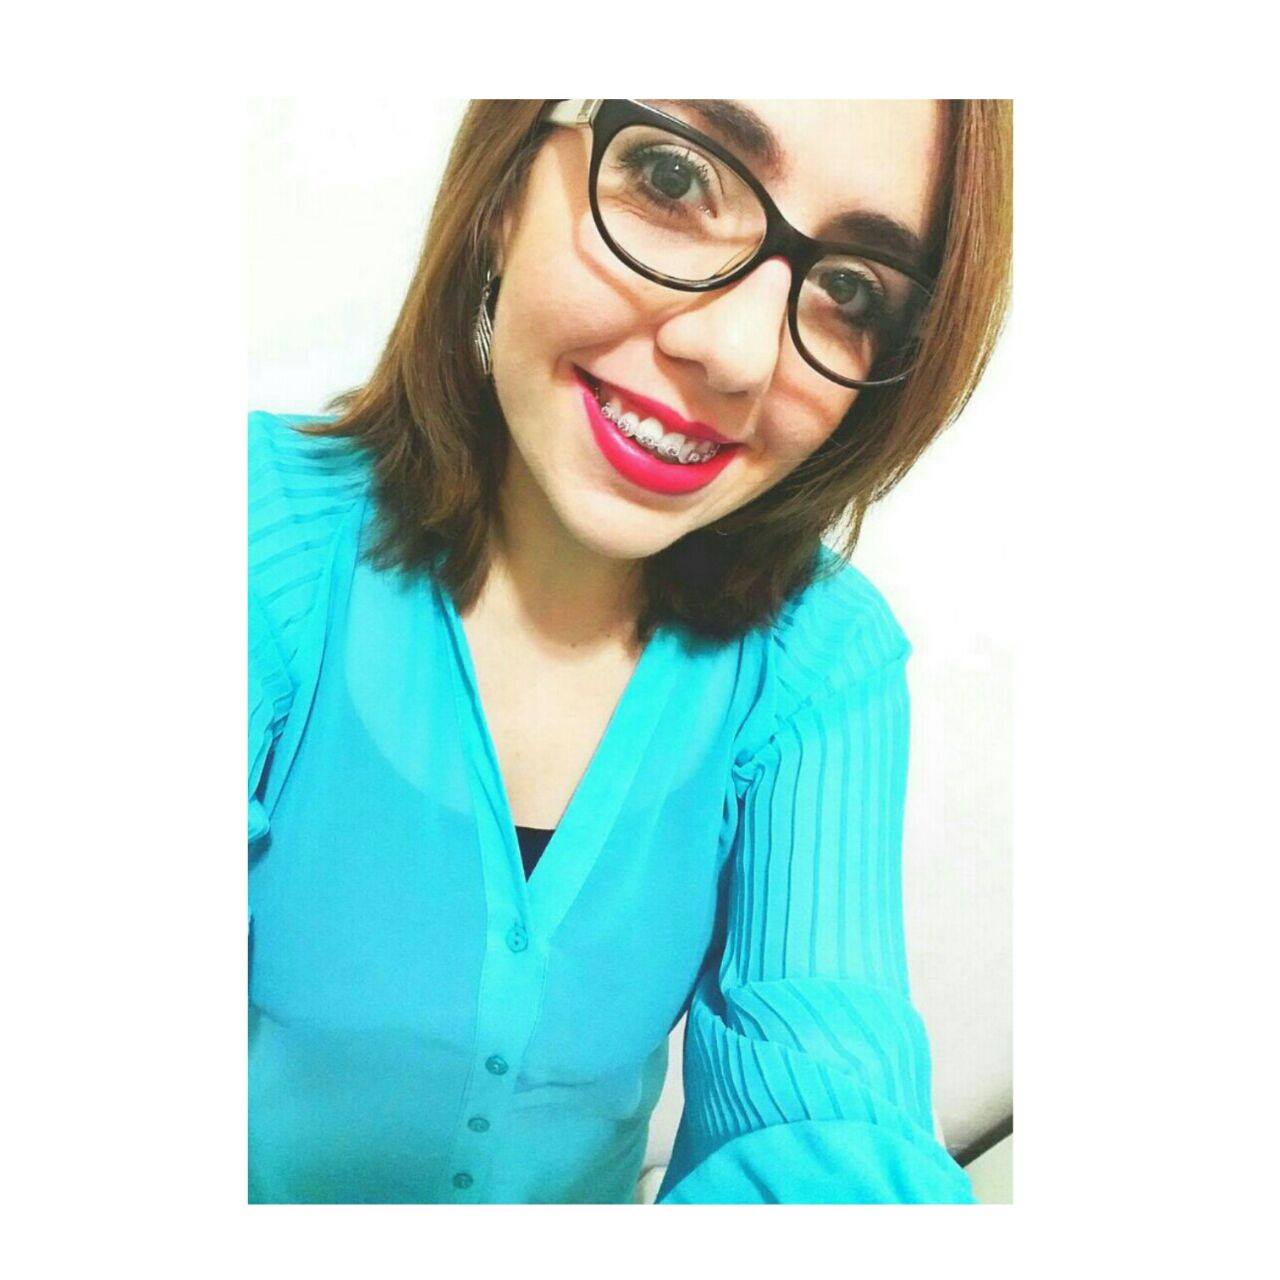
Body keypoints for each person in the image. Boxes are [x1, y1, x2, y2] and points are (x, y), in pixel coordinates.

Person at [248, 99, 1012, 1204]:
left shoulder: (817, 665)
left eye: (850, 290)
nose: (737, 354)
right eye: (670, 178)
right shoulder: (254, 537)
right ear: (506, 186)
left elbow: (826, 1110)